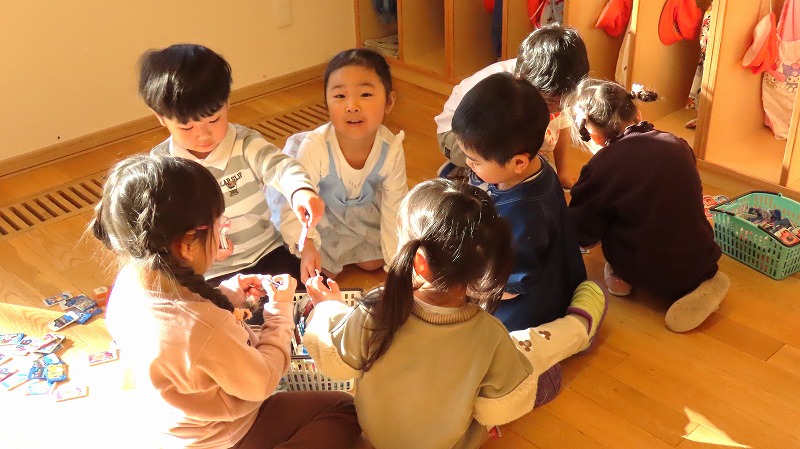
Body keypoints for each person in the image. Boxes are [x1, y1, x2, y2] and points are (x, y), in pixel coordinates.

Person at [301, 179, 606, 449]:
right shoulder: (489, 334)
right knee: (528, 351)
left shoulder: (379, 306)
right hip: (448, 443)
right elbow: (500, 407)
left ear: (419, 262)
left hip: (376, 435)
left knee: (520, 354)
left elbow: (333, 357)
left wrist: (327, 307)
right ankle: (580, 326)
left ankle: (578, 329)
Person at [91, 154, 361, 449]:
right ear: (186, 244)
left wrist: (228, 294)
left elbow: (189, 326)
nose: (222, 233)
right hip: (223, 436)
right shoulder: (202, 329)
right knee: (344, 408)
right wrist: (279, 311)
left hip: (177, 422)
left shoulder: (129, 282)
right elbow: (263, 381)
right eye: (219, 228)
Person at [139, 43, 324, 288]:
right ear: (160, 117)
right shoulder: (163, 167)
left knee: (313, 293)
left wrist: (301, 190)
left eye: (214, 120)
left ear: (227, 103)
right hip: (207, 271)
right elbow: (161, 227)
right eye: (187, 127)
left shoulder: (245, 144)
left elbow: (281, 167)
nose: (203, 135)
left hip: (265, 253)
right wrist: (196, 248)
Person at [564, 78, 730, 332]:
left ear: (594, 137)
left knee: (610, 216)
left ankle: (623, 276)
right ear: (638, 113)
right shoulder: (677, 144)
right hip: (700, 259)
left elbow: (582, 234)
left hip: (637, 269)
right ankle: (703, 282)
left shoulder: (601, 168)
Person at [452, 72, 588, 332]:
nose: (467, 164)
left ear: (518, 163)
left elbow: (510, 287)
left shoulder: (523, 213)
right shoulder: (538, 169)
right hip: (557, 274)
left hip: (531, 309)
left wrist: (463, 285)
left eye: (475, 161)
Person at [279, 48, 407, 283]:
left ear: (389, 102)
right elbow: (297, 207)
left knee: (375, 263)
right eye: (339, 96)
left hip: (361, 211)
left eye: (365, 94)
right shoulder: (316, 146)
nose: (352, 106)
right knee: (321, 271)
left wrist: (396, 267)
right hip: (320, 214)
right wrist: (307, 247)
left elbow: (395, 206)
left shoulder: (391, 147)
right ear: (326, 103)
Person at [434, 23, 589, 188]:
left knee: (535, 169)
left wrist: (562, 172)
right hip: (458, 135)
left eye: (564, 103)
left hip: (499, 133)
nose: (558, 109)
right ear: (522, 78)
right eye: (551, 103)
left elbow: (562, 125)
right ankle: (469, 169)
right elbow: (489, 138)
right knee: (516, 171)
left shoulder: (553, 85)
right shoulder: (500, 90)